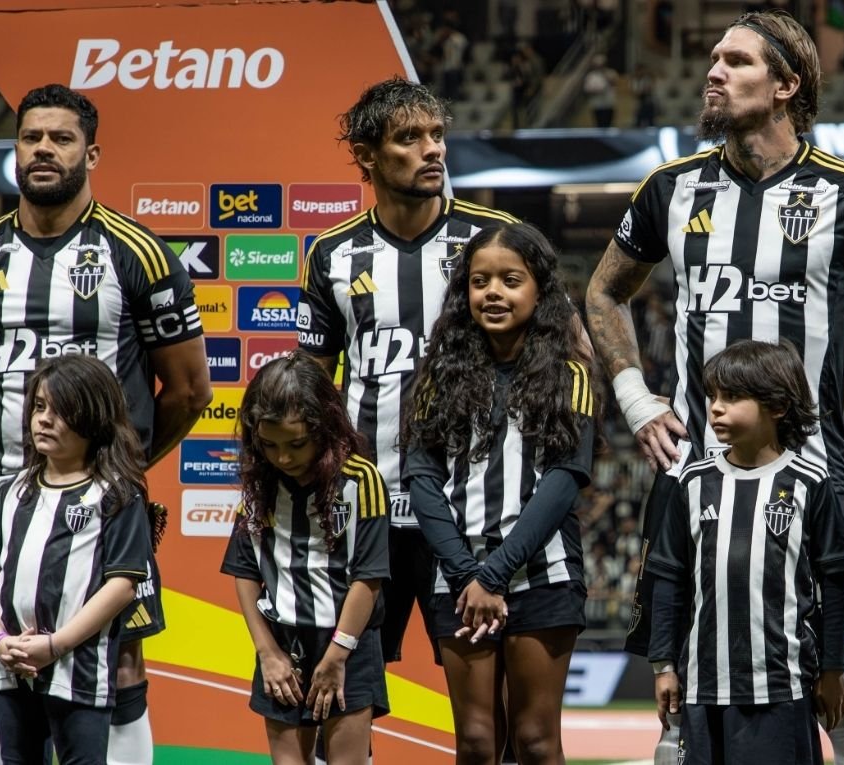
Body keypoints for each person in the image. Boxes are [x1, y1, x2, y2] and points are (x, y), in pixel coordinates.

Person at [585, 10, 844, 763]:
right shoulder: (671, 188)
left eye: (736, 60)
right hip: (699, 484)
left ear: (787, 84)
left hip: (818, 484)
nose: (714, 71)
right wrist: (637, 399)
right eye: (713, 57)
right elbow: (603, 292)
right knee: (686, 713)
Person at [0, 83, 211, 764]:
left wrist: (120, 469)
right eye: (32, 138)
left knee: (116, 662)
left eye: (61, 138)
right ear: (15, 151)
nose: (44, 150)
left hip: (101, 500)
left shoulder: (139, 255)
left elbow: (192, 389)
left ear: (93, 152)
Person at [297, 77, 519, 673]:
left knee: (484, 717)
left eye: (438, 135)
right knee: (346, 695)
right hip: (369, 506)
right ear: (367, 156)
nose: (433, 150)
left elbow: (552, 355)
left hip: (471, 507)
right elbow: (312, 384)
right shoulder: (331, 252)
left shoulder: (490, 239)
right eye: (410, 137)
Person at [403, 222, 599, 764]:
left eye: (510, 280)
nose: (493, 293)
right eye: (479, 281)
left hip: (542, 576)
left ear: (540, 289)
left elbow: (565, 481)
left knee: (536, 742)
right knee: (476, 742)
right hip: (459, 578)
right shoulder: (437, 377)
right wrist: (469, 574)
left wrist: (494, 574)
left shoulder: (570, 374)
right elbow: (421, 479)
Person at [646, 340, 844, 764]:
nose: (716, 408)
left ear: (777, 406)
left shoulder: (809, 483)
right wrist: (663, 664)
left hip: (780, 685)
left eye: (733, 397)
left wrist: (833, 667)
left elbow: (836, 581)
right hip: (704, 686)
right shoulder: (691, 483)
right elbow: (668, 578)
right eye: (713, 397)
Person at [0, 355, 154, 764]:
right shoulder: (12, 491)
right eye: (39, 407)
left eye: (60, 410)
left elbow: (122, 586)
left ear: (92, 417)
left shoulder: (117, 495)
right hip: (12, 667)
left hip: (81, 673)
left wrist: (55, 645)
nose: (44, 420)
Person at [222, 353, 390, 765]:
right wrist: (267, 654)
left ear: (324, 428)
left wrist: (337, 656)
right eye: (270, 445)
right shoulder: (258, 483)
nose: (283, 458)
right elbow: (245, 571)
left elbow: (368, 578)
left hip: (346, 643)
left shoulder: (359, 480)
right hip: (281, 645)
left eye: (296, 444)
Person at [582, 54, 620, 128]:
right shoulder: (591, 75)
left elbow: (614, 82)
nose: (599, 66)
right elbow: (587, 90)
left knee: (608, 125)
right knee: (599, 125)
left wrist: (604, 74)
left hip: (609, 103)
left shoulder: (611, 72)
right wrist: (597, 91)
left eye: (601, 64)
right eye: (597, 64)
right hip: (597, 105)